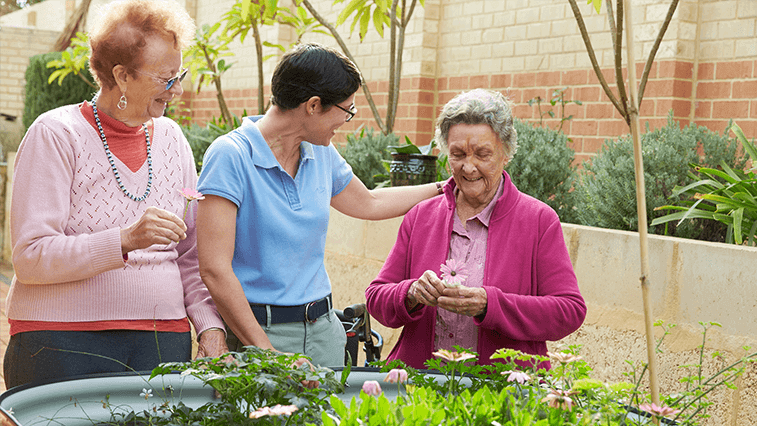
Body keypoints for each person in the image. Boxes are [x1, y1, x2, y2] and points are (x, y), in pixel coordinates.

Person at [3, 0, 226, 389]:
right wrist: (124, 240)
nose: (177, 89)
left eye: (179, 74)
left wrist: (209, 326)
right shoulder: (56, 134)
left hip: (161, 342)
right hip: (61, 342)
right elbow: (31, 257)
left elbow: (189, 254)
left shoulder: (173, 140)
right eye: (166, 78)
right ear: (122, 76)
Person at [196, 42, 442, 368]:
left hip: (324, 331)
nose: (347, 121)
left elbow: (368, 202)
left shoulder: (320, 152)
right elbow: (214, 269)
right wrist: (267, 352)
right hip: (258, 333)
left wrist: (444, 188)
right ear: (313, 105)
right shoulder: (230, 155)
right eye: (346, 110)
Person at [365, 89, 586, 370]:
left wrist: (490, 304)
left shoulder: (539, 220)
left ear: (506, 153)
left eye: (483, 154)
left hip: (504, 390)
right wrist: (410, 293)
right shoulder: (421, 216)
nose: (469, 167)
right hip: (421, 386)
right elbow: (376, 296)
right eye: (458, 154)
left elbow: (569, 311)